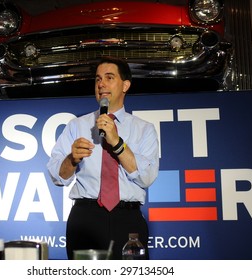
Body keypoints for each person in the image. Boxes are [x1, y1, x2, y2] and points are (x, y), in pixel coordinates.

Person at [47, 56, 159, 260]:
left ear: (125, 85)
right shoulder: (76, 125)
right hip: (86, 218)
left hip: (128, 219)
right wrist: (71, 159)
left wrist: (117, 142)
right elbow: (56, 175)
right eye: (98, 79)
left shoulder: (144, 129)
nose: (101, 84)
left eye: (109, 78)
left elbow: (147, 177)